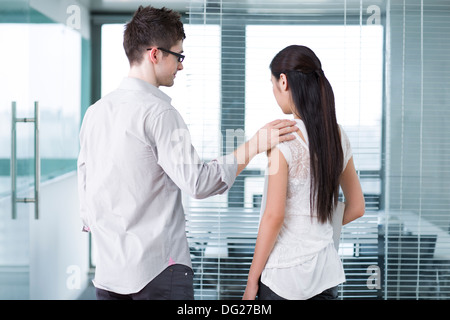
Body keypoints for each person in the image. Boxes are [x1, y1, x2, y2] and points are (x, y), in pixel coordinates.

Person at [77, 5, 296, 300]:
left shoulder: (95, 112)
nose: (181, 66)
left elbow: (86, 190)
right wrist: (255, 144)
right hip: (158, 273)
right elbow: (199, 183)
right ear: (155, 54)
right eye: (178, 56)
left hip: (109, 274)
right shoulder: (159, 113)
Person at [243, 45, 366, 300]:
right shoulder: (337, 135)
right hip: (325, 275)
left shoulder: (281, 138)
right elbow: (357, 207)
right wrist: (316, 223)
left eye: (272, 83)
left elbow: (273, 216)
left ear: (284, 81)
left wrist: (251, 282)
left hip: (283, 279)